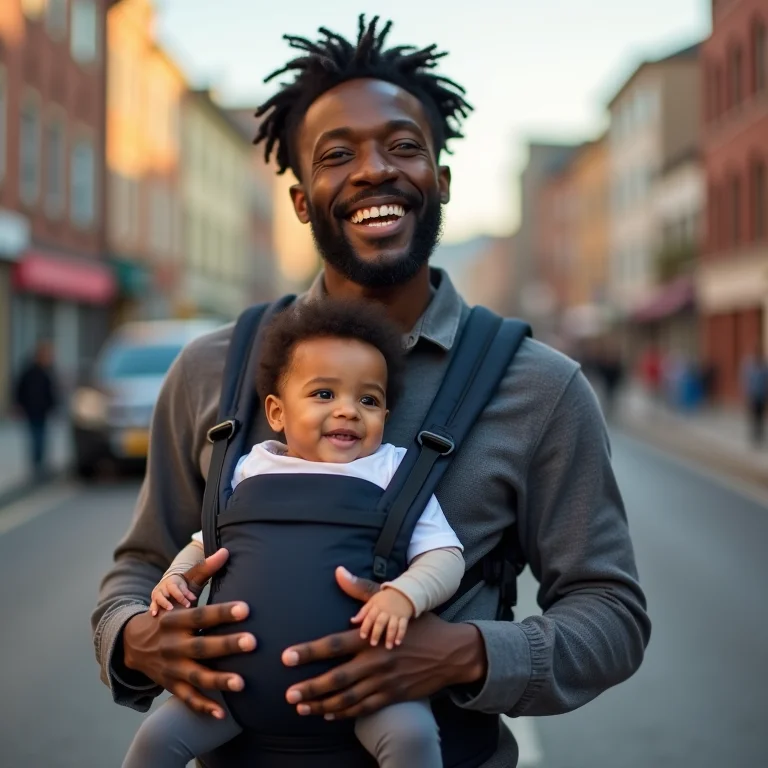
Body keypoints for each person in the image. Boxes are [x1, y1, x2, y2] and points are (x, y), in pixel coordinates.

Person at [93, 15, 650, 768]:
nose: (373, 171)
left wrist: (465, 654)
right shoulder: (208, 368)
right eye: (336, 155)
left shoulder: (542, 388)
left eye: (404, 146)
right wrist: (137, 637)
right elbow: (138, 567)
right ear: (299, 200)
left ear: (440, 180)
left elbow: (612, 616)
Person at [121, 298, 464, 768]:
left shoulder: (393, 470)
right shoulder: (249, 468)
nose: (348, 411)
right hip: (236, 685)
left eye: (368, 400)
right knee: (154, 742)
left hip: (364, 687)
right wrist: (178, 577)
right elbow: (207, 543)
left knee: (413, 737)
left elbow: (445, 555)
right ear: (277, 412)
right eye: (324, 394)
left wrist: (405, 595)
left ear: (386, 415)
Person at [13, 339, 59, 477]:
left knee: (41, 437)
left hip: (42, 410)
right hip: (32, 410)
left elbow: (50, 392)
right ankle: (37, 465)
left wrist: (53, 406)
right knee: (36, 437)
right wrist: (18, 405)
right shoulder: (30, 371)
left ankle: (40, 464)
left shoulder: (46, 372)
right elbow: (19, 389)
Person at [741, 344, 768, 446]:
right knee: (753, 417)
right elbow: (745, 380)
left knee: (760, 417)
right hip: (753, 395)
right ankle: (754, 436)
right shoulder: (749, 365)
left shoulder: (764, 366)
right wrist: (747, 394)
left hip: (761, 396)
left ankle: (760, 435)